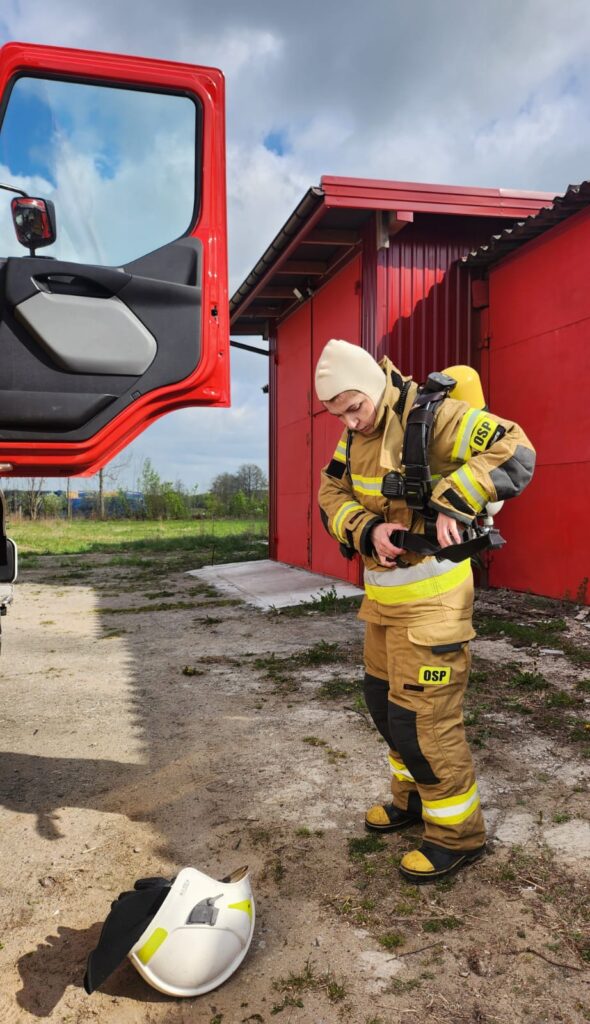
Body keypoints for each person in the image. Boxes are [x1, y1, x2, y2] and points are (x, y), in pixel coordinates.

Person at [315, 338, 535, 884]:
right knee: (385, 707)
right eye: (338, 414)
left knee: (424, 722)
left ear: (371, 386)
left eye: (353, 407)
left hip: (434, 606)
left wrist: (455, 500)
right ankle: (411, 799)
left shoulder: (431, 417)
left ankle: (457, 835)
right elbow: (330, 490)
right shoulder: (355, 433)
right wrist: (366, 528)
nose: (349, 422)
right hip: (383, 606)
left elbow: (516, 447)